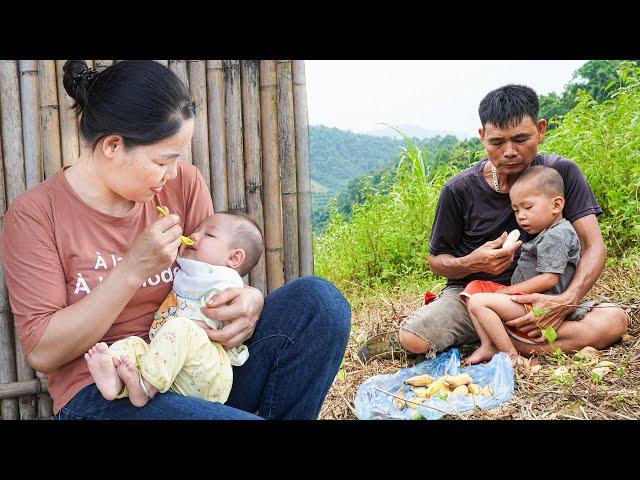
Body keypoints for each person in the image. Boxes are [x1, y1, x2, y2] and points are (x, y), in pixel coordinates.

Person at [0, 60, 351, 420]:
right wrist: (132, 270)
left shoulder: (183, 183)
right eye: (162, 161)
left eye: (177, 159)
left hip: (198, 371)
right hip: (106, 394)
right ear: (113, 146)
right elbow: (43, 352)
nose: (171, 174)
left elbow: (213, 276)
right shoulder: (37, 214)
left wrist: (248, 299)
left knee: (320, 304)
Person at [358, 84, 627, 362]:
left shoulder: (561, 174)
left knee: (614, 321)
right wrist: (473, 262)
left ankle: (495, 340)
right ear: (482, 137)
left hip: (545, 296)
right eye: (497, 142)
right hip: (478, 295)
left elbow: (593, 246)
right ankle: (508, 335)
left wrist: (565, 300)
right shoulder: (458, 190)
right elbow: (437, 261)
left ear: (541, 130)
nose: (509, 151)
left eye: (521, 139)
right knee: (413, 338)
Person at [85, 211, 264, 407]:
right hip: (169, 369)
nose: (194, 236)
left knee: (182, 327)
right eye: (196, 230)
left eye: (209, 235)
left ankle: (143, 390)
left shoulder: (227, 284)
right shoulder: (188, 273)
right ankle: (116, 382)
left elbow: (231, 323)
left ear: (234, 258)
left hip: (208, 370)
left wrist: (254, 297)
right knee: (133, 345)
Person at [460, 166, 585, 366]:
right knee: (475, 287)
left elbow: (549, 279)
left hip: (539, 304)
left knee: (478, 302)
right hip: (521, 299)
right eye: (516, 210)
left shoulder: (556, 235)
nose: (521, 216)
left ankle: (512, 355)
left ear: (556, 205)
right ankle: (488, 345)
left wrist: (508, 291)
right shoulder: (547, 231)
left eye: (528, 207)